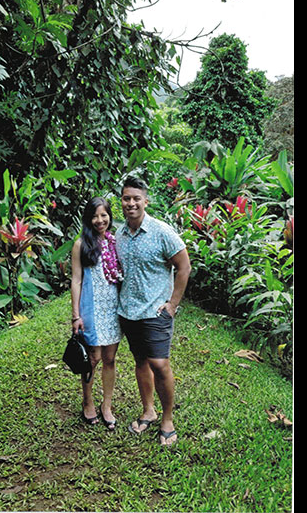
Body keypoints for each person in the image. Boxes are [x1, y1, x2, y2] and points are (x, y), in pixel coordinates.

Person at [115, 177, 191, 446]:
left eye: (136, 198)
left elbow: (184, 266)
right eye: (126, 198)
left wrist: (173, 304)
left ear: (146, 201)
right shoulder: (119, 234)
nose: (131, 203)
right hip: (128, 311)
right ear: (121, 202)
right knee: (141, 361)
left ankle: (167, 418)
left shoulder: (161, 231)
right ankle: (148, 410)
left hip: (156, 311)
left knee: (160, 364)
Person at [70, 196, 123, 431]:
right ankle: (88, 401)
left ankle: (106, 405)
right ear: (88, 219)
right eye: (95, 216)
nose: (100, 220)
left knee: (110, 358)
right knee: (93, 358)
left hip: (113, 309)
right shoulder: (81, 244)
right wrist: (76, 315)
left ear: (110, 216)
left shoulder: (115, 242)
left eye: (104, 215)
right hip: (91, 308)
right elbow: (76, 280)